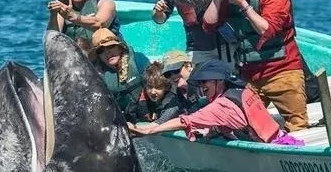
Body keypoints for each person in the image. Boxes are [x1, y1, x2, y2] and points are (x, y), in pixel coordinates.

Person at [201, 0, 308, 132]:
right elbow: (208, 24)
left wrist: (243, 4)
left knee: (298, 126)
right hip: (250, 75)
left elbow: (268, 29)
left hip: (282, 71)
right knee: (238, 126)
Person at [130, 60, 303, 145]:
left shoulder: (222, 106)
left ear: (219, 82)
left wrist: (150, 130)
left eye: (205, 82)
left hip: (271, 148)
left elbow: (185, 121)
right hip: (282, 139)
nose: (201, 86)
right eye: (199, 83)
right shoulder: (243, 91)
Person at [89, 28, 147, 112]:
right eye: (101, 50)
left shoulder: (138, 59)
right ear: (98, 56)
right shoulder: (97, 75)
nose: (107, 53)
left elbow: (156, 84)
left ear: (120, 47)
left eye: (110, 46)